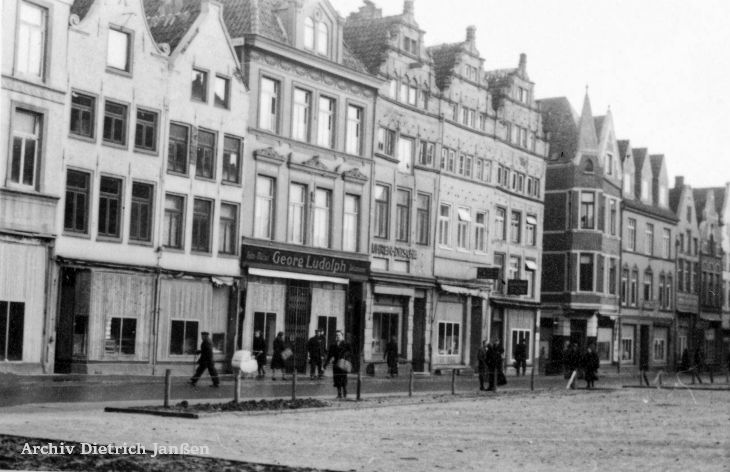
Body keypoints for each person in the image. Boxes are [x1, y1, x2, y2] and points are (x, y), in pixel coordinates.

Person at [324, 330, 351, 399]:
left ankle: (345, 392)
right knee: (337, 379)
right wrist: (325, 364)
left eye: (339, 335)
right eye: (336, 335)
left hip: (343, 363)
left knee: (343, 378)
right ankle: (339, 393)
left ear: (342, 336)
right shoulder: (333, 345)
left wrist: (345, 356)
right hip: (336, 364)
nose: (338, 336)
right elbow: (329, 355)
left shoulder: (346, 344)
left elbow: (350, 352)